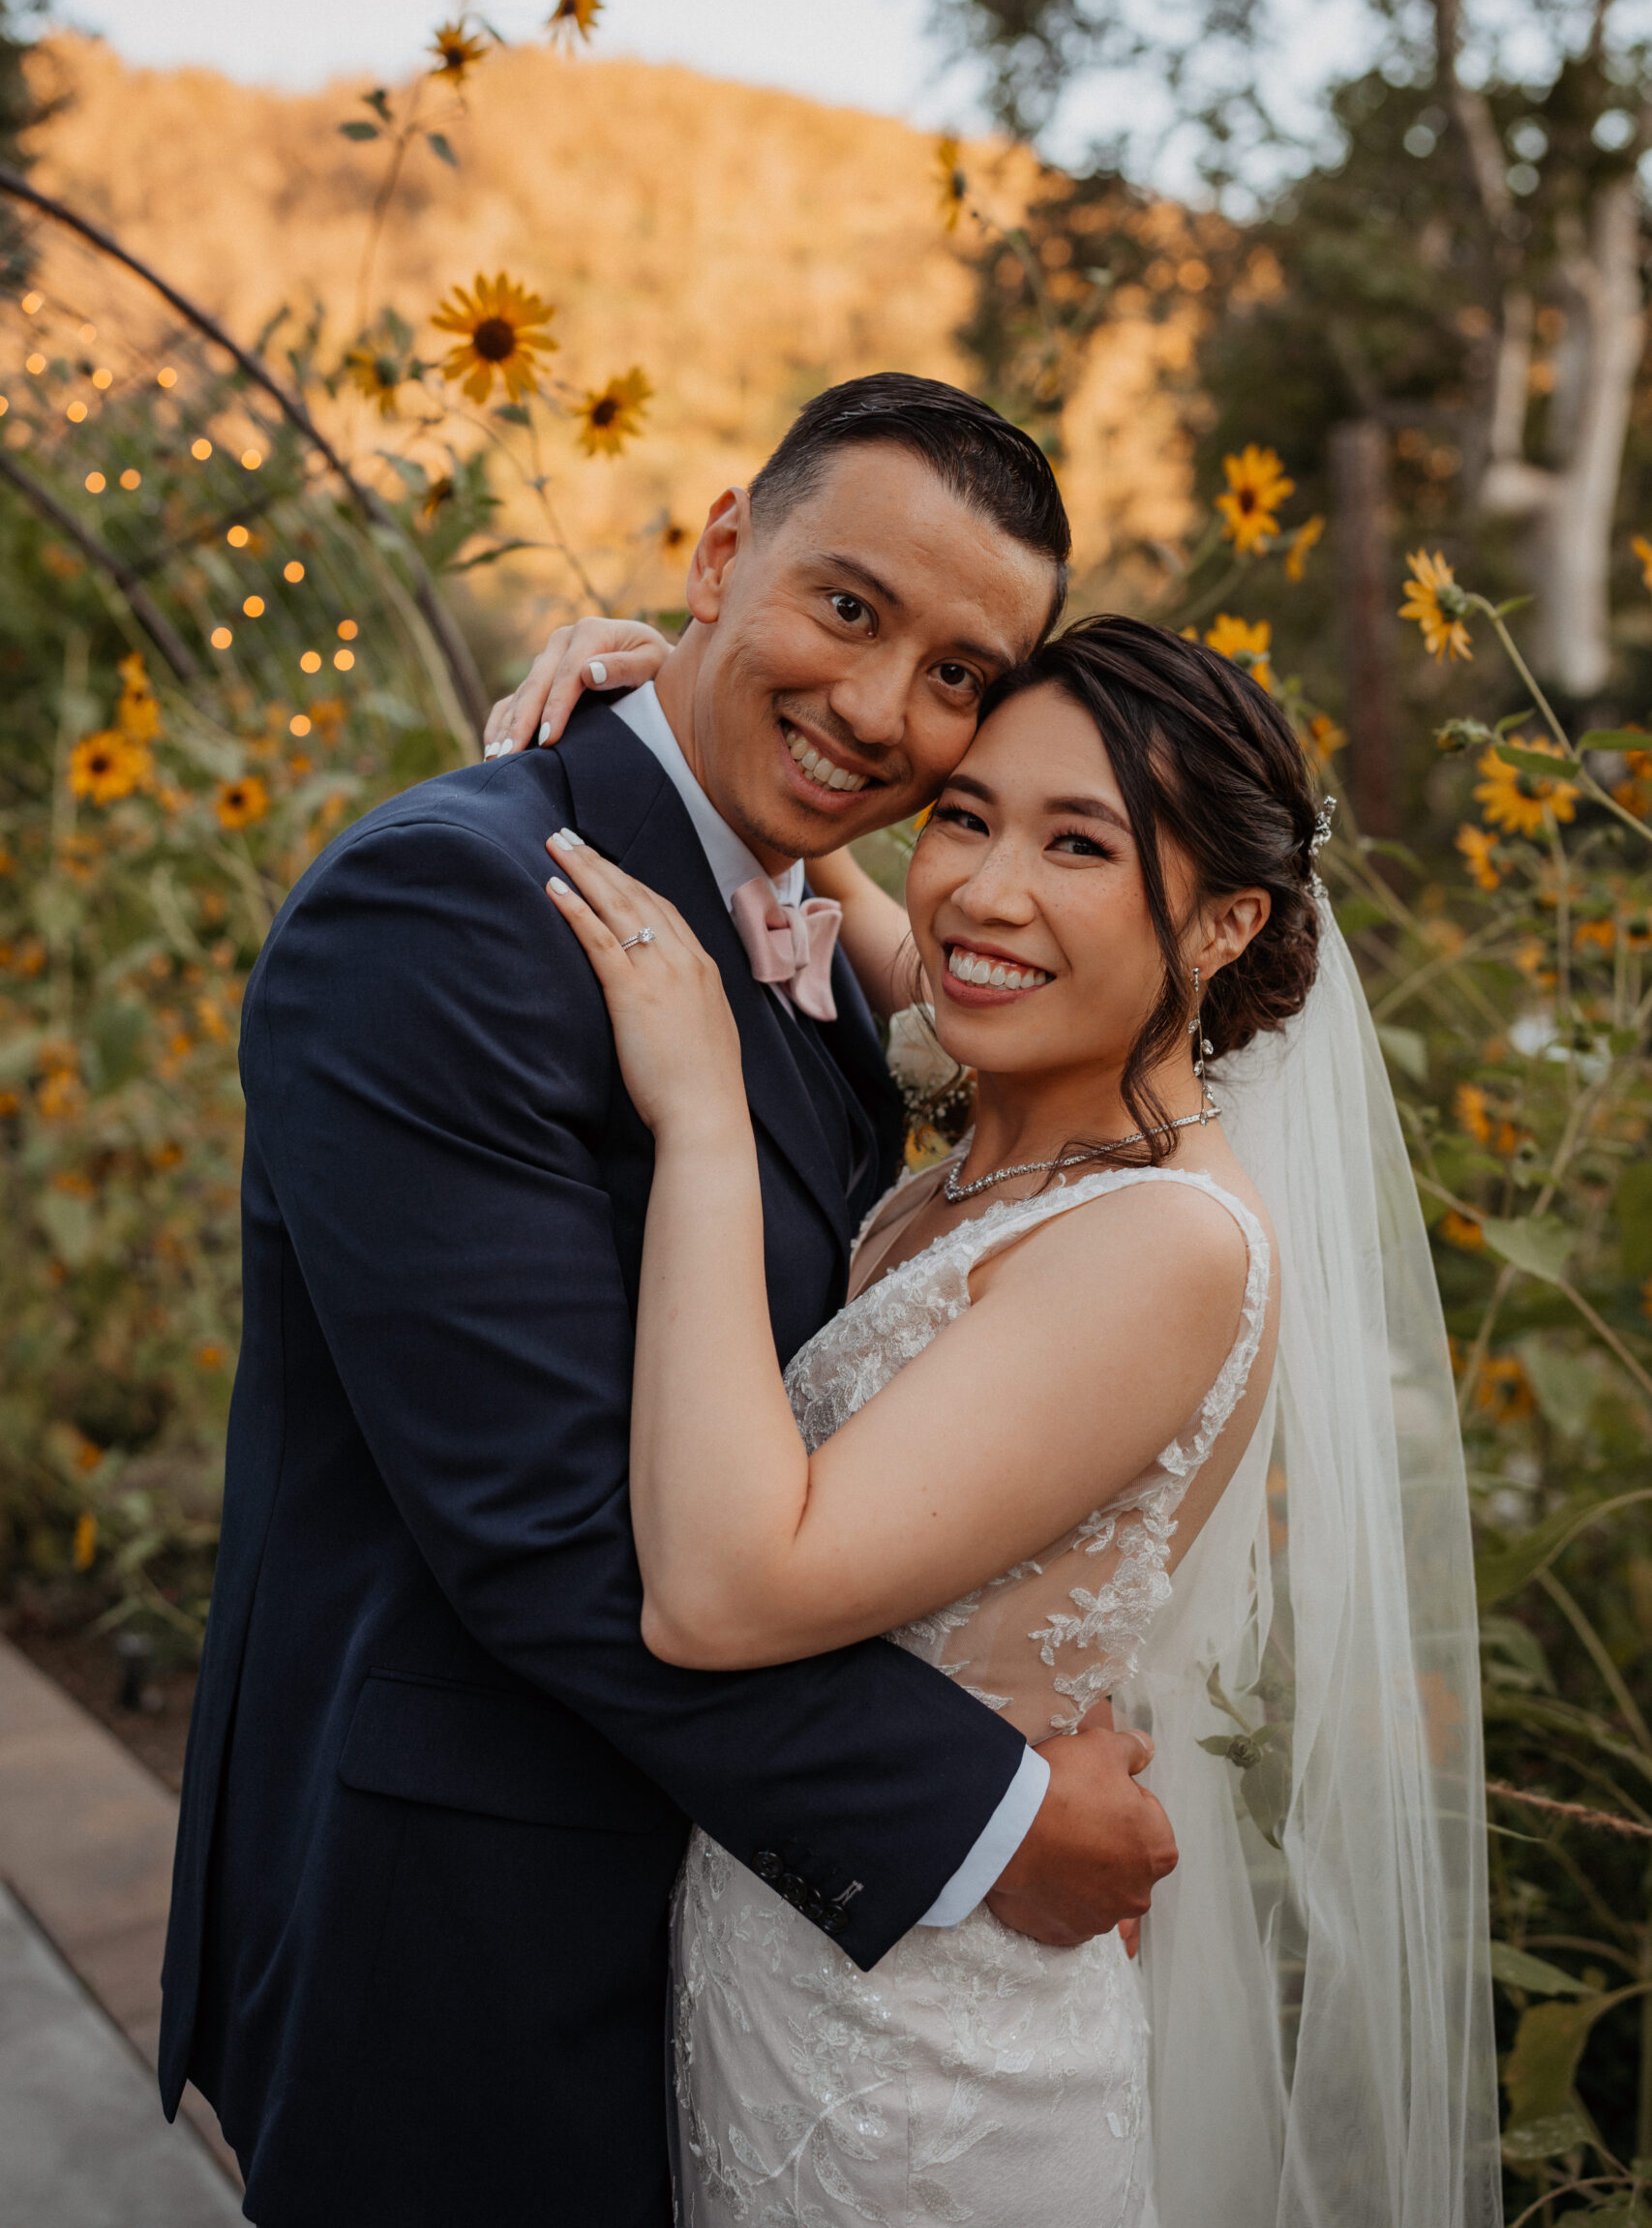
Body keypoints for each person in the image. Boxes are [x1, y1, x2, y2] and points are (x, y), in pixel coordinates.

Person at [158, 376, 1179, 2227]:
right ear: (721, 551)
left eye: (957, 674)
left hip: (744, 1948)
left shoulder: (856, 961)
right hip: (472, 1937)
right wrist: (993, 1818)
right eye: (844, 608)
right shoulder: (453, 914)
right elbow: (548, 1531)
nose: (880, 709)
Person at [538, 614, 1503, 2226]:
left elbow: (726, 1595)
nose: (987, 889)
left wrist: (704, 1116)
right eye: (968, 816)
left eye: (1080, 842)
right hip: (800, 1962)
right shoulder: (1024, 1117)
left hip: (929, 2073)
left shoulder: (1163, 1245)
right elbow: (901, 923)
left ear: (1224, 924)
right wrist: (671, 690)